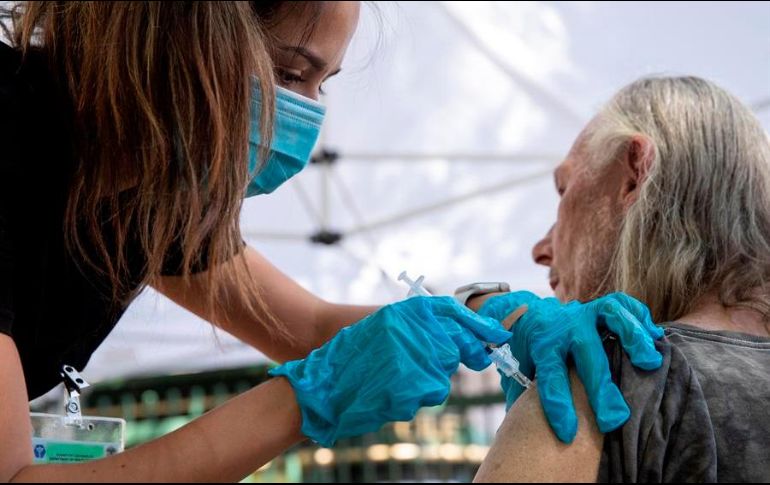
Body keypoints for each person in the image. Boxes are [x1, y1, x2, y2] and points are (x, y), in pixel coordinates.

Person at [0, 2, 662, 482]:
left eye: (322, 86)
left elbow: (306, 324)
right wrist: (306, 399)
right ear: (183, 32)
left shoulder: (138, 193)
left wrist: (491, 312)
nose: (307, 116)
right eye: (291, 75)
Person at [472, 76, 770, 482]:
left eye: (564, 191)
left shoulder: (599, 386)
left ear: (632, 174)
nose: (540, 250)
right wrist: (478, 307)